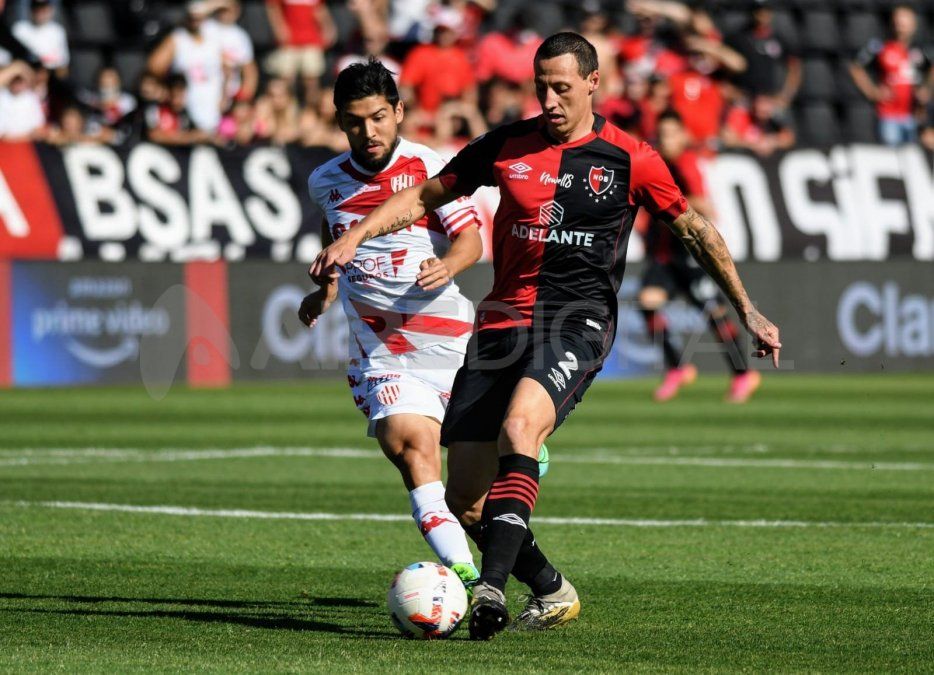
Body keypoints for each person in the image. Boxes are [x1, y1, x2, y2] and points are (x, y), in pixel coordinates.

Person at [311, 32, 782, 640]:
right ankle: (553, 589)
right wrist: (354, 236)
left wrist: (746, 308)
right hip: (501, 321)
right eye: (542, 88)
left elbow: (694, 229)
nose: (551, 100)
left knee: (519, 427)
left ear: (593, 82)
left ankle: (489, 590)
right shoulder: (507, 145)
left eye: (562, 87)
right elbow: (425, 195)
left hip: (577, 320)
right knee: (465, 501)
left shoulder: (630, 157)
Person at [300, 59, 486, 591]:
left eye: (378, 117)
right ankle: (467, 578)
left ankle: (514, 459)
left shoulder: (429, 166)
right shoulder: (325, 181)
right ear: (340, 121)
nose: (368, 131)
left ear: (399, 111)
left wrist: (447, 266)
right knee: (410, 447)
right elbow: (335, 233)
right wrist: (326, 289)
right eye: (355, 121)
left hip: (450, 343)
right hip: (381, 352)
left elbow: (470, 239)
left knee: (474, 499)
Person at [640, 110, 761, 403]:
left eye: (671, 134)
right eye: (662, 135)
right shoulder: (659, 163)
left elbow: (705, 206)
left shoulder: (686, 163)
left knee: (714, 315)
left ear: (683, 136)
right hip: (665, 256)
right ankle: (677, 368)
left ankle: (743, 374)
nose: (666, 140)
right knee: (647, 302)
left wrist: (666, 200)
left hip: (690, 254)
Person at [849, 3, 934, 146]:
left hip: (913, 115)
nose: (901, 24)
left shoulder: (920, 49)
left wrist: (927, 89)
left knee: (913, 155)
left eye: (905, 20)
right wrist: (872, 91)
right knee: (892, 154)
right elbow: (856, 67)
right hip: (888, 115)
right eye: (898, 20)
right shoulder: (880, 45)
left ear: (913, 24)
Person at [147, 1, 225, 132]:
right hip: (187, 111)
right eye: (192, 17)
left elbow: (228, 68)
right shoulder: (178, 38)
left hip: (215, 106)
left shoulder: (215, 35)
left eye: (198, 17)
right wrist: (169, 89)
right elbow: (153, 67)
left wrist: (225, 95)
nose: (195, 21)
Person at [12, 0, 67, 77]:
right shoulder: (20, 29)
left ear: (50, 10)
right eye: (37, 9)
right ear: (31, 10)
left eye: (43, 9)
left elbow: (63, 66)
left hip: (51, 75)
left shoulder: (58, 31)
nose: (40, 13)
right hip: (24, 74)